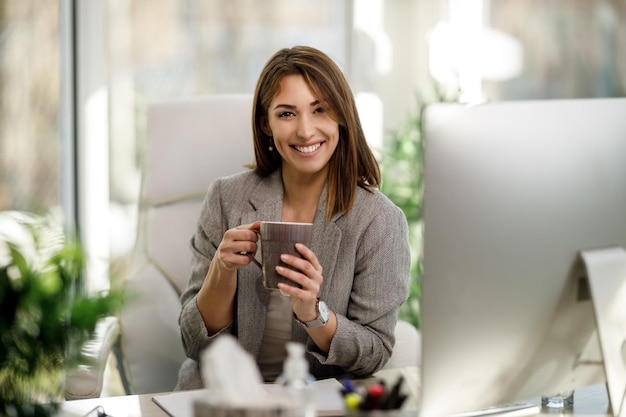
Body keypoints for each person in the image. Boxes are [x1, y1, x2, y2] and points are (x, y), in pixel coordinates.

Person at [175, 45, 410, 389]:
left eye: (320, 110)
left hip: (313, 400)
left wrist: (313, 312)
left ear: (341, 116)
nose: (305, 130)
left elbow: (374, 352)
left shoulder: (378, 220)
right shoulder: (226, 199)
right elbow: (194, 343)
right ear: (265, 124)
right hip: (224, 397)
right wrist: (221, 273)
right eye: (286, 114)